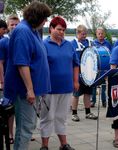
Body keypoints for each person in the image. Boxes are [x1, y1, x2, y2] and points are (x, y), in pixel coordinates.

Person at [3, 2, 52, 150]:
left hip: (32, 91)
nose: (46, 22)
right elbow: (21, 63)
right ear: (36, 17)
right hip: (24, 92)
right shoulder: (23, 31)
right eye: (44, 18)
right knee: (25, 129)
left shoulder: (32, 30)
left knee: (28, 126)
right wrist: (30, 90)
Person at [40, 16, 78, 150]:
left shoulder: (69, 45)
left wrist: (76, 81)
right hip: (49, 88)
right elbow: (39, 67)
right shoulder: (43, 45)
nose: (62, 32)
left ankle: (63, 144)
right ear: (51, 29)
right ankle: (45, 145)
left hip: (66, 88)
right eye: (59, 29)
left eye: (63, 30)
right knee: (47, 117)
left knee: (61, 117)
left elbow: (75, 64)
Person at [71, 25, 97, 121]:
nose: (84, 36)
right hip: (77, 73)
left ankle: (88, 112)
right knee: (76, 94)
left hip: (88, 73)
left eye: (85, 34)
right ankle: (74, 113)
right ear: (77, 33)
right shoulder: (72, 43)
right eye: (82, 34)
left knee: (87, 93)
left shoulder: (90, 43)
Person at [0, 14, 20, 144]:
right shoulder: (3, 42)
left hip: (22, 82)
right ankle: (10, 134)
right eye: (11, 24)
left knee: (22, 110)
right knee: (10, 111)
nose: (14, 27)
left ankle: (21, 133)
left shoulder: (21, 39)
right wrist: (2, 81)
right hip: (9, 82)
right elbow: (0, 63)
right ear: (7, 27)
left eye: (16, 24)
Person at [91, 27, 112, 107]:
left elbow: (111, 54)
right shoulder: (93, 43)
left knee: (104, 86)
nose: (100, 35)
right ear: (96, 34)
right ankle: (93, 101)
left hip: (105, 67)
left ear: (104, 34)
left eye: (102, 33)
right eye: (99, 33)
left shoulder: (108, 43)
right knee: (93, 85)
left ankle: (104, 101)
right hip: (95, 67)